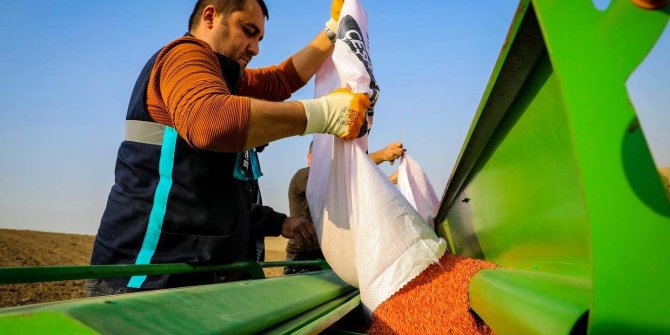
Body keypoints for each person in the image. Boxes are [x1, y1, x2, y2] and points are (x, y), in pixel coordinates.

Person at [86, 0, 370, 296]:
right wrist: (324, 115)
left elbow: (281, 80)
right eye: (248, 31)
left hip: (199, 277)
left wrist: (332, 31)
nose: (255, 48)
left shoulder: (223, 79)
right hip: (145, 280)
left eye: (259, 39)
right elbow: (211, 121)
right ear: (211, 16)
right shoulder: (185, 57)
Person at [284, 141, 406, 274]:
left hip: (331, 260)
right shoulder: (302, 176)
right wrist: (382, 155)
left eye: (331, 159)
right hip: (303, 260)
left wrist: (390, 181)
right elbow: (340, 173)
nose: (328, 164)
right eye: (322, 159)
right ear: (309, 157)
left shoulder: (335, 187)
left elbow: (356, 190)